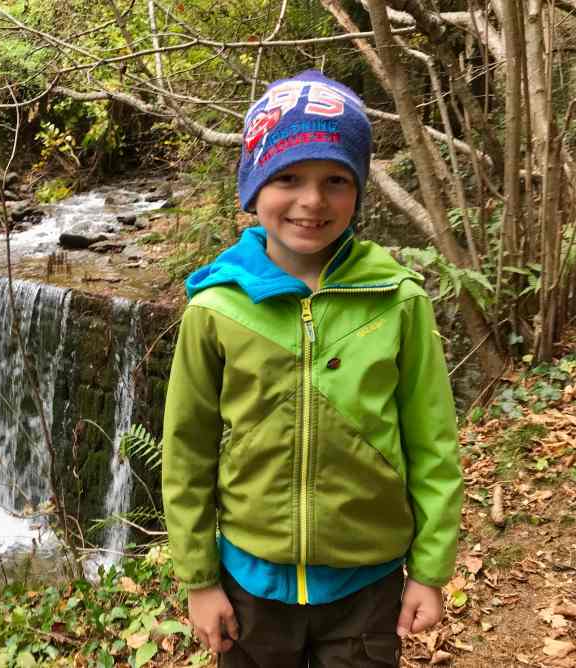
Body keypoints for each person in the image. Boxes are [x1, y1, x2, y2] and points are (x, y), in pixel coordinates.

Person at [161, 69, 463, 667]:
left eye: (335, 179)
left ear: (358, 190)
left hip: (367, 586)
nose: (312, 201)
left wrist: (429, 570)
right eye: (288, 177)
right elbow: (187, 450)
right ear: (253, 187)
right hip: (250, 584)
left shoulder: (398, 301)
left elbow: (432, 442)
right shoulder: (216, 307)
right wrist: (199, 579)